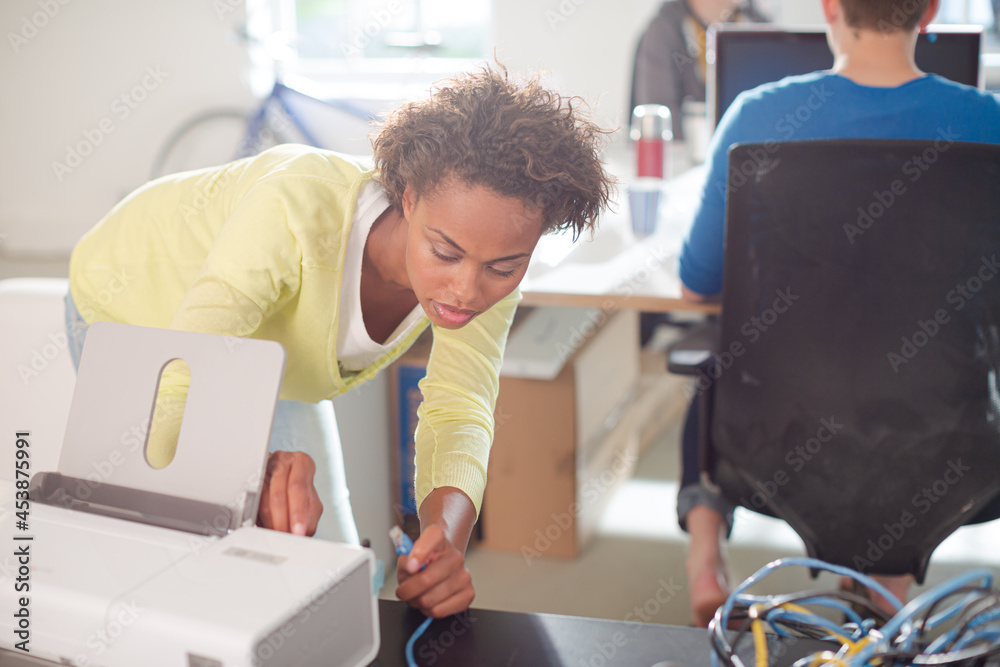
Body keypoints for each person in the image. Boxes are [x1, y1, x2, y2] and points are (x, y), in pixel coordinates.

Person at [66, 65, 614, 619]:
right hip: (138, 310)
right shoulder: (295, 206)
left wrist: (444, 540)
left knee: (331, 578)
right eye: (444, 252)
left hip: (261, 350)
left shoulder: (486, 286)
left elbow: (460, 410)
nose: (467, 289)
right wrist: (250, 470)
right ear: (407, 196)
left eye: (503, 266)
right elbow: (184, 375)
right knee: (190, 558)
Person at [676, 0, 1000, 626]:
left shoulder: (759, 115)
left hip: (783, 423)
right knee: (900, 389)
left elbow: (696, 284)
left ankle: (704, 558)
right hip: (950, 426)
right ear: (929, 12)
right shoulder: (989, 124)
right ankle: (886, 591)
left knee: (713, 365)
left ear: (830, 6)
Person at [630, 0, 767, 140]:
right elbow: (661, 123)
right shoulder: (663, 31)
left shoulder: (761, 26)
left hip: (746, 153)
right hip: (687, 157)